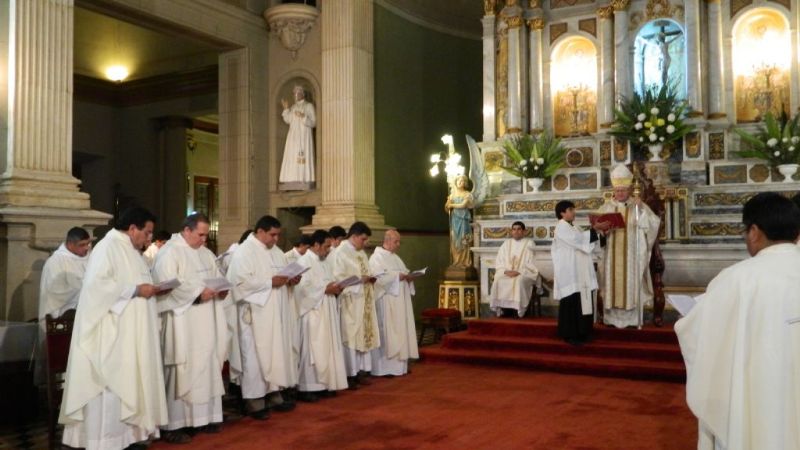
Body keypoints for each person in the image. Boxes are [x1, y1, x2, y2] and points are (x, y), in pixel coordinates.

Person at [675, 192, 800, 450]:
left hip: (761, 397)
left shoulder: (738, 278)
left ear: (754, 231)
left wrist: (688, 320)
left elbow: (698, 334)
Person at [60, 207, 168, 450]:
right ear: (132, 229)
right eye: (147, 232)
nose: (149, 238)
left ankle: (130, 436)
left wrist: (151, 289)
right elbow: (96, 289)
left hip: (132, 334)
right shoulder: (108, 247)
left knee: (133, 380)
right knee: (112, 387)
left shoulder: (132, 251)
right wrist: (136, 290)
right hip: (112, 335)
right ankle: (106, 441)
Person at [152, 213, 229, 443]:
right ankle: (174, 425)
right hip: (182, 321)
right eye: (200, 234)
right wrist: (197, 294)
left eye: (206, 235)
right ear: (186, 230)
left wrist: (222, 288)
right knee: (182, 369)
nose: (204, 240)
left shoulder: (205, 253)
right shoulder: (169, 252)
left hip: (207, 320)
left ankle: (204, 418)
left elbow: (217, 277)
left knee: (206, 365)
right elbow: (167, 285)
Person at [226, 215, 298, 420]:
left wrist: (291, 280)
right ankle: (254, 399)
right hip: (255, 314)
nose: (276, 239)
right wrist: (269, 282)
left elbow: (281, 276)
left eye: (278, 235)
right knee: (255, 357)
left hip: (275, 311)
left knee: (275, 352)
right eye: (272, 235)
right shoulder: (244, 252)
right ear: (260, 231)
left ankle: (273, 392)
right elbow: (239, 284)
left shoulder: (276, 252)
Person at [596, 164, 660, 328]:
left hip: (632, 255)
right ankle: (611, 318)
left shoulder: (638, 206)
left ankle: (632, 319)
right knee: (611, 285)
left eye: (623, 190)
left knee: (631, 285)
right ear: (614, 191)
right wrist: (602, 231)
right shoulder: (606, 208)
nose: (620, 193)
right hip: (611, 254)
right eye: (618, 191)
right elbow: (596, 231)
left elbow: (653, 224)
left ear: (629, 190)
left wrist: (641, 211)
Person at [293, 230, 348, 401]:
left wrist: (336, 286)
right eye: (325, 247)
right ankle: (308, 387)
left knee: (327, 348)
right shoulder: (303, 262)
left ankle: (324, 384)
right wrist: (325, 289)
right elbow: (300, 291)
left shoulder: (324, 262)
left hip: (327, 310)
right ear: (315, 245)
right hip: (312, 313)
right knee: (312, 350)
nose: (328, 250)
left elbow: (327, 281)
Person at [36, 227, 91, 384]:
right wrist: (85, 288)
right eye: (82, 245)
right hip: (62, 320)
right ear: (70, 244)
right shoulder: (56, 262)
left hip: (85, 320)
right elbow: (55, 293)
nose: (86, 248)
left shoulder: (90, 257)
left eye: (88, 244)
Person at [330, 221, 380, 388]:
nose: (365, 243)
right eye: (363, 239)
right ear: (354, 236)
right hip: (350, 302)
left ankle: (362, 371)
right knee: (351, 336)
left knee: (363, 335)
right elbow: (337, 278)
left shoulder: (361, 253)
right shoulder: (340, 253)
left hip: (364, 301)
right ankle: (350, 374)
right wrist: (359, 281)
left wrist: (370, 278)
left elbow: (365, 272)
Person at [552, 201, 607, 345]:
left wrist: (600, 233)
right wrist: (595, 229)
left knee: (582, 301)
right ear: (562, 213)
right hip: (570, 272)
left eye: (573, 209)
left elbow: (585, 241)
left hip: (579, 271)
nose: (574, 212)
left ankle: (583, 332)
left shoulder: (574, 227)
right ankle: (570, 334)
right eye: (570, 210)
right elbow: (578, 240)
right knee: (572, 302)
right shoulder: (561, 227)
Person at [369, 229, 419, 376]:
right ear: (387, 240)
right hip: (387, 301)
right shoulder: (376, 258)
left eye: (399, 242)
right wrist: (398, 276)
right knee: (388, 332)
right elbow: (378, 278)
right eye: (396, 242)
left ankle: (400, 366)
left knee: (400, 330)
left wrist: (409, 277)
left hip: (399, 302)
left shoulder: (395, 257)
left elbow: (403, 272)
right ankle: (385, 368)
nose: (398, 245)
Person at [488, 221, 539, 317]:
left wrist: (518, 271)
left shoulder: (529, 243)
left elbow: (532, 262)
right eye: (514, 229)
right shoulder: (506, 243)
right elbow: (500, 260)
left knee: (518, 281)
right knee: (498, 280)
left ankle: (518, 310)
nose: (516, 231)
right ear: (511, 231)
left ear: (524, 231)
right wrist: (506, 271)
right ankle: (504, 310)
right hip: (507, 272)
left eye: (519, 229)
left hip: (523, 273)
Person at [279, 85, 316, 188]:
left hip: (304, 137)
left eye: (298, 93)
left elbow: (313, 122)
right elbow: (288, 119)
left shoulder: (308, 106)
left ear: (302, 94)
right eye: (294, 93)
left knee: (301, 156)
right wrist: (286, 109)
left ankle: (303, 178)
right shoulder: (293, 107)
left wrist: (303, 117)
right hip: (293, 137)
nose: (296, 95)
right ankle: (291, 178)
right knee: (291, 156)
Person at [444, 175, 474, 269]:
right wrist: (447, 205)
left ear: (465, 183)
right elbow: (446, 209)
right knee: (455, 239)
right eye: (459, 181)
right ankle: (456, 261)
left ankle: (465, 262)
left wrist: (451, 204)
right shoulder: (452, 195)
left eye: (462, 181)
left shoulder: (467, 194)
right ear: (456, 183)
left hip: (463, 219)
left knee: (463, 238)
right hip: (455, 219)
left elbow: (463, 205)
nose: (460, 182)